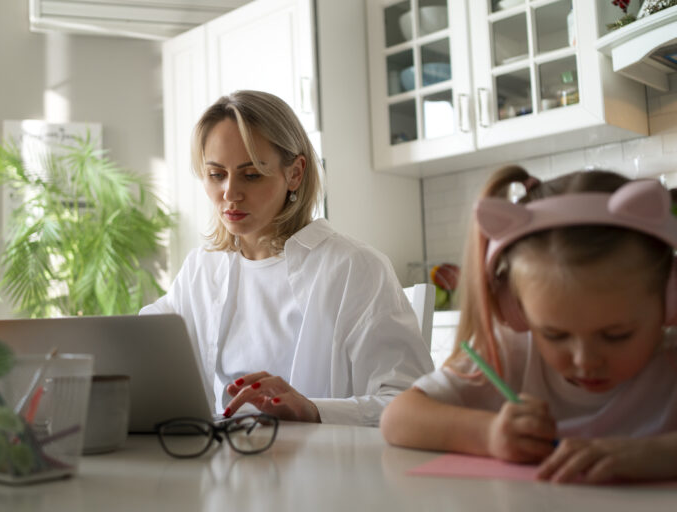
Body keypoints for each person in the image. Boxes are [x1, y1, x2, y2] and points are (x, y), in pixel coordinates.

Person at [141, 90, 433, 426]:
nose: (230, 193)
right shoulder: (201, 268)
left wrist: (313, 410)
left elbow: (410, 402)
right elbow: (143, 341)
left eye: (251, 175)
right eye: (216, 174)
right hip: (223, 464)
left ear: (294, 173)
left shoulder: (354, 267)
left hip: (320, 469)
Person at [380, 165, 677, 484]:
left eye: (616, 335)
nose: (585, 360)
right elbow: (397, 418)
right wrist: (489, 433)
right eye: (555, 334)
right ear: (516, 309)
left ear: (669, 301)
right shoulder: (512, 353)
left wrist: (657, 455)